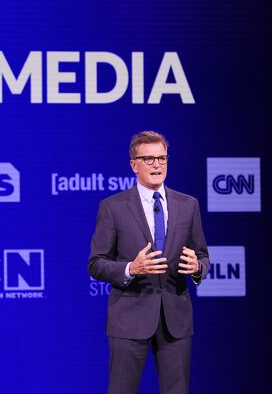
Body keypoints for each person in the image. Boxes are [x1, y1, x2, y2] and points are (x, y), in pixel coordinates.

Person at [88, 131, 210, 394]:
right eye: (149, 159)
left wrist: (197, 267)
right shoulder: (113, 207)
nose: (157, 165)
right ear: (134, 164)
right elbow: (96, 263)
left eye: (162, 158)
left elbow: (202, 255)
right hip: (129, 319)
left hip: (175, 321)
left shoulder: (188, 205)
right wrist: (132, 268)